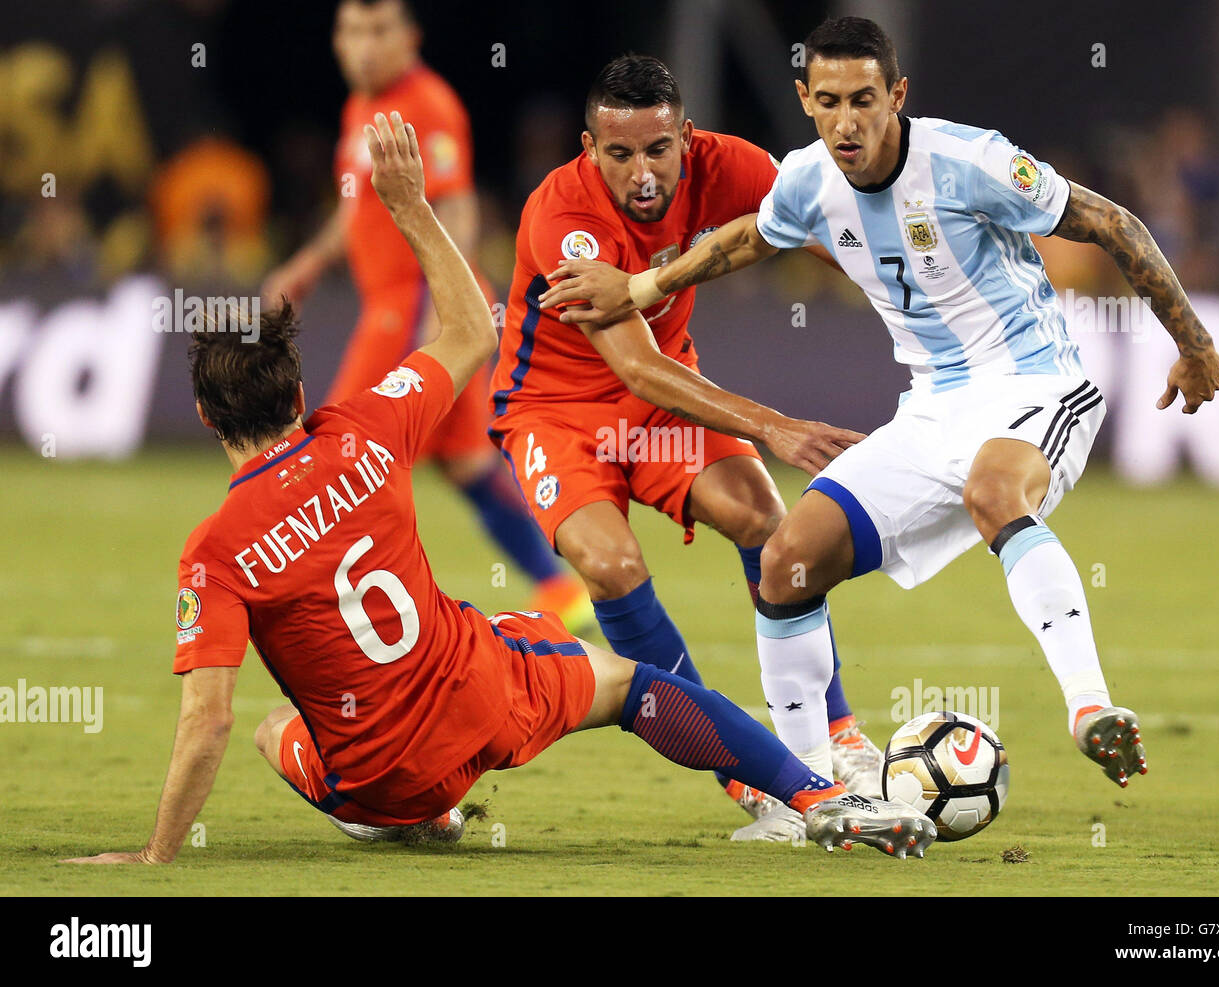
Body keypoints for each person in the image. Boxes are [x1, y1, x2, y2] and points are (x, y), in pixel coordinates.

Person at [62, 112, 935, 865]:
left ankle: (421, 816)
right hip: (485, 697)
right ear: (298, 396)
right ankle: (816, 796)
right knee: (630, 686)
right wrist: (411, 209)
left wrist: (155, 852)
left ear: (210, 422)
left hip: (378, 782)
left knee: (267, 731)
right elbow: (475, 325)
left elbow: (208, 721)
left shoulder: (212, 553)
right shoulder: (366, 427)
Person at [540, 17, 1219, 826]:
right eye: (827, 101)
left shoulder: (971, 162)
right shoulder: (806, 179)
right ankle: (807, 795)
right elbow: (745, 240)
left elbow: (1114, 225)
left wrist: (1195, 344)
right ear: (804, 99)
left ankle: (1089, 706)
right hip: (931, 404)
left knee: (995, 491)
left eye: (864, 99)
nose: (846, 121)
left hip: (1035, 383)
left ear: (896, 95)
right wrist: (644, 288)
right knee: (788, 561)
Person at [489, 53, 885, 839]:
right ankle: (742, 769)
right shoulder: (562, 218)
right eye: (620, 153)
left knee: (767, 522)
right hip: (554, 412)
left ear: (688, 138)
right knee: (611, 565)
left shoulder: (731, 167)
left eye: (657, 150)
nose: (641, 173)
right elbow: (636, 363)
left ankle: (837, 733)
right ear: (588, 147)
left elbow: (828, 225)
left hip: (659, 404)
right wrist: (773, 425)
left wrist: (907, 280)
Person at [260, 0, 589, 628]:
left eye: (378, 30)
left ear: (409, 38)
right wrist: (307, 263)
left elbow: (458, 206)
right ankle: (560, 584)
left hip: (413, 305)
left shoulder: (429, 105)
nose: (363, 45)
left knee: (334, 444)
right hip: (399, 303)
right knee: (464, 462)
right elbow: (356, 207)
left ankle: (317, 597)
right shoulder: (361, 107)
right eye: (352, 30)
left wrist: (449, 313)